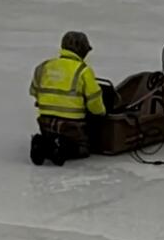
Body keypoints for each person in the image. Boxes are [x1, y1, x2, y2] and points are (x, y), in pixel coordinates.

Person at [29, 31, 107, 166]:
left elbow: (34, 91)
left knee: (51, 136)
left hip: (45, 121)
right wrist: (101, 113)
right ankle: (60, 148)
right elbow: (94, 102)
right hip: (71, 124)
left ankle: (43, 143)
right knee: (83, 149)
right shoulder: (83, 70)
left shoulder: (43, 66)